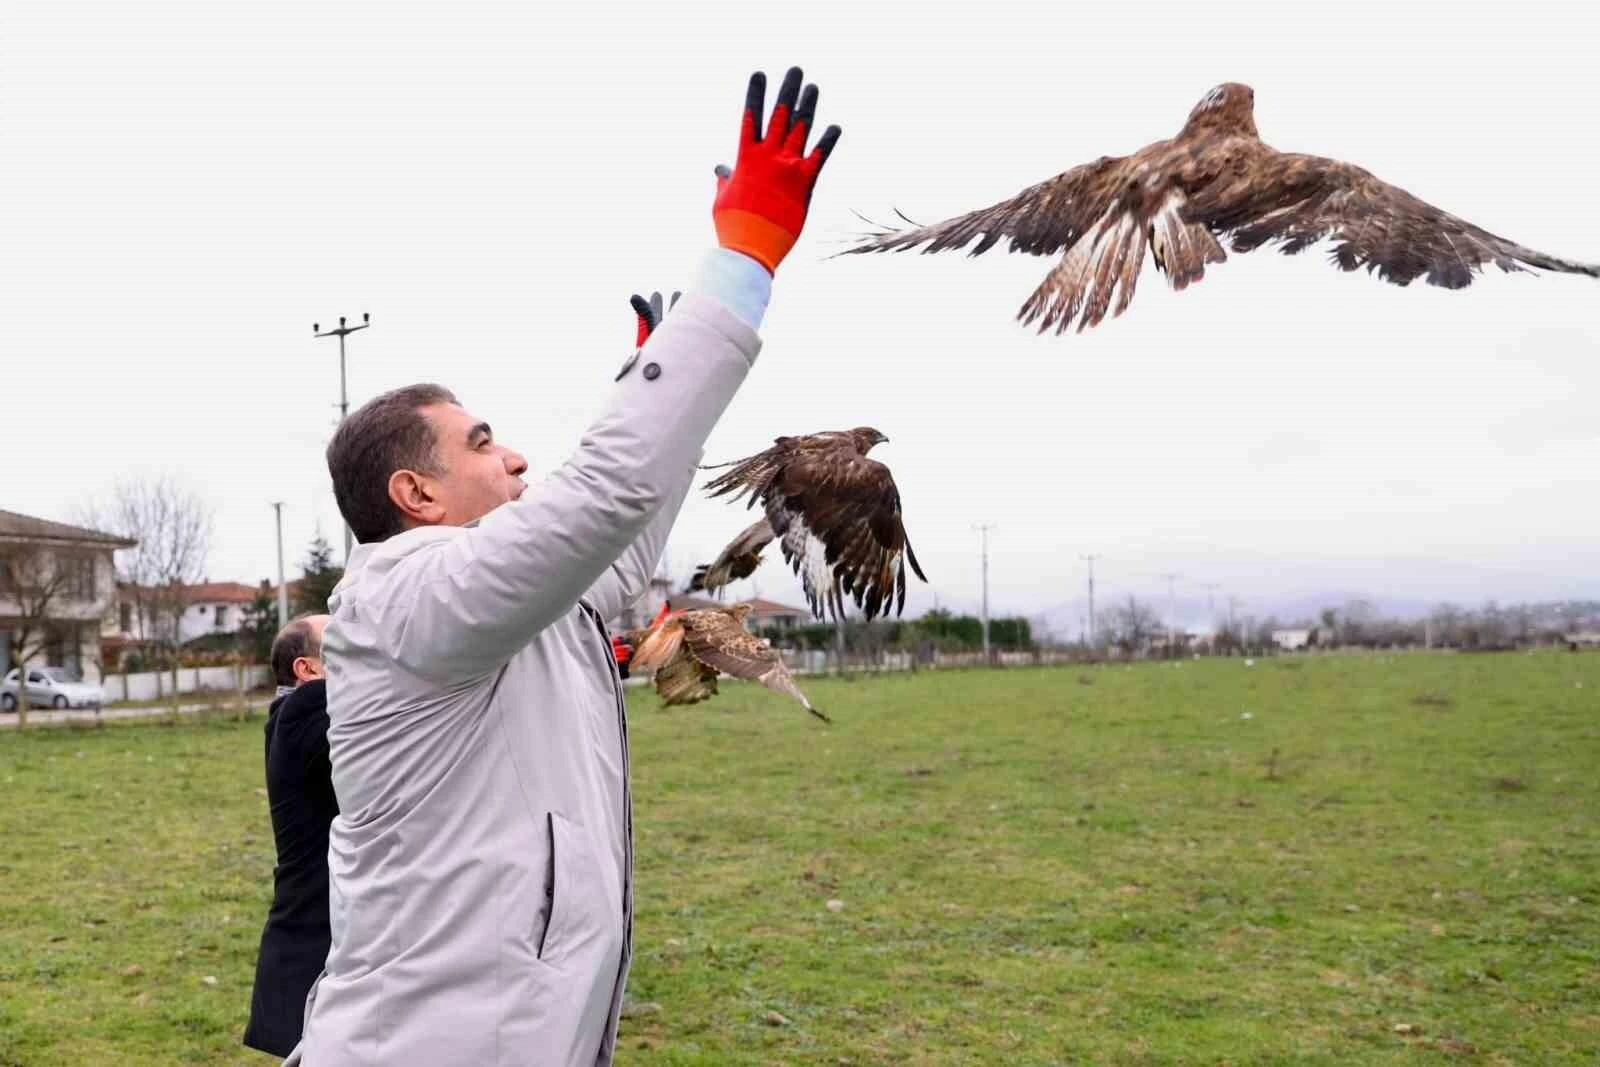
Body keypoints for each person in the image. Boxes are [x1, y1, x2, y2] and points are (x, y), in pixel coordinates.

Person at [284, 65, 842, 1067]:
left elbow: (615, 530)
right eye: (483, 441)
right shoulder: (409, 596)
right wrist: (741, 261)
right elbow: (603, 495)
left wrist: (650, 377)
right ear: (415, 494)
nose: (516, 456)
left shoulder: (499, 599)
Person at [243, 614, 338, 1058]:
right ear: (308, 670)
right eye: (336, 638)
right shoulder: (306, 711)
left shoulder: (289, 716)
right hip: (313, 946)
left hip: (309, 939)